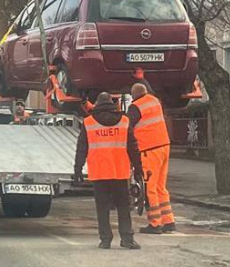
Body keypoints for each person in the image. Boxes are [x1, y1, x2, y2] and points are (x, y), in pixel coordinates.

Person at [74, 92, 142, 249]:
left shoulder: (89, 122)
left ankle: (105, 239)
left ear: (97, 104)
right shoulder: (124, 121)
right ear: (113, 103)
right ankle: (127, 239)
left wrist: (78, 169)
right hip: (119, 172)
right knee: (123, 206)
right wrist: (138, 169)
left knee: (102, 207)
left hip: (99, 172)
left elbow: (81, 148)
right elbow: (133, 148)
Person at [128, 83, 175, 234]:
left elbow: (127, 125)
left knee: (150, 188)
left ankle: (155, 223)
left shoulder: (135, 106)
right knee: (161, 186)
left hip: (149, 149)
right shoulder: (154, 100)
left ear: (134, 95)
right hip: (164, 146)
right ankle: (169, 221)